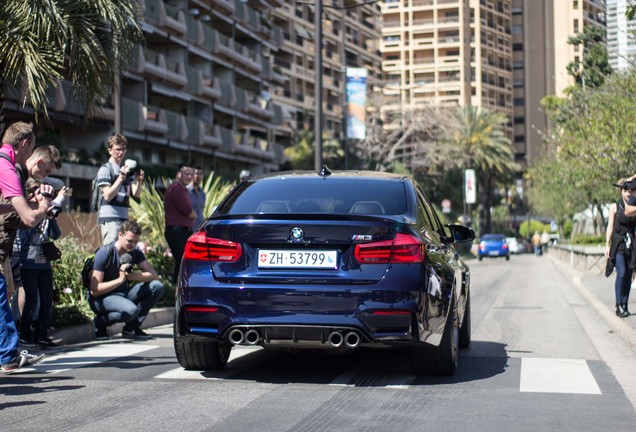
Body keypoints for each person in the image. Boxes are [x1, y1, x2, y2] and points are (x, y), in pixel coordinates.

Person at [0, 121, 55, 374]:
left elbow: (4, 209)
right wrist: (42, 207)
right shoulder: (9, 168)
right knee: (2, 297)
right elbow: (29, 220)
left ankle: (8, 355)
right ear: (23, 144)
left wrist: (25, 204)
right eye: (30, 148)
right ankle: (8, 356)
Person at [88, 220, 164, 340]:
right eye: (129, 241)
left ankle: (131, 327)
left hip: (123, 295)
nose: (132, 245)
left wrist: (131, 276)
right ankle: (99, 323)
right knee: (130, 310)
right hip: (101, 298)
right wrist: (120, 279)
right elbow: (95, 290)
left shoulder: (135, 253)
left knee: (156, 286)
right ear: (120, 235)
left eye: (135, 241)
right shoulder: (105, 253)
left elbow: (153, 275)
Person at [18, 198, 63, 349]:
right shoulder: (28, 215)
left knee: (47, 301)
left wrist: (52, 219)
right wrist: (40, 216)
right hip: (28, 265)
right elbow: (24, 238)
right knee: (31, 302)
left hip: (45, 265)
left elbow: (56, 235)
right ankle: (25, 335)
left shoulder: (46, 218)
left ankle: (42, 335)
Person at [97, 134, 144, 244]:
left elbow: (136, 194)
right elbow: (107, 196)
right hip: (110, 218)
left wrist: (140, 181)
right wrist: (121, 177)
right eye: (117, 149)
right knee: (110, 252)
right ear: (110, 150)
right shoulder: (106, 169)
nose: (121, 153)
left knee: (122, 254)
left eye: (123, 149)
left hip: (124, 218)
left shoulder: (127, 170)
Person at [605, 179, 636, 318]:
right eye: (625, 191)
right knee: (622, 273)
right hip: (618, 244)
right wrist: (607, 244)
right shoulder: (615, 207)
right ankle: (618, 305)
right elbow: (610, 226)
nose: (627, 193)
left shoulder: (633, 207)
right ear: (621, 192)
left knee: (629, 275)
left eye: (630, 191)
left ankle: (624, 304)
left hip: (631, 244)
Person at [164, 164, 196, 283]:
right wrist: (195, 215)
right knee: (183, 260)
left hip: (181, 231)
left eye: (191, 174)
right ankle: (177, 288)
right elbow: (188, 210)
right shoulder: (176, 188)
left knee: (182, 261)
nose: (189, 176)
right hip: (177, 231)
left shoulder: (181, 189)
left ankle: (177, 288)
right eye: (186, 173)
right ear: (178, 174)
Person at [187, 165, 206, 229]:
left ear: (203, 176)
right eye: (196, 173)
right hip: (188, 229)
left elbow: (201, 212)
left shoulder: (203, 194)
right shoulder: (186, 192)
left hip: (200, 229)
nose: (198, 176)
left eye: (200, 174)